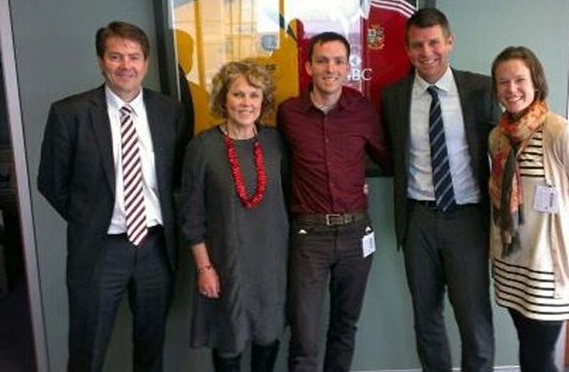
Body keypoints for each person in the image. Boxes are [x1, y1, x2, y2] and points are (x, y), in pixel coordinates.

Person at [37, 21, 189, 371]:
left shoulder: (170, 112)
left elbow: (177, 177)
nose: (126, 65)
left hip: (155, 248)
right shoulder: (70, 113)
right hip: (100, 249)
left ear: (146, 62)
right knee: (87, 351)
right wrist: (91, 218)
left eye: (134, 57)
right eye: (116, 56)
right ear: (100, 61)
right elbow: (51, 182)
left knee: (151, 349)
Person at [380, 8, 499, 372]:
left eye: (434, 42)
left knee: (474, 319)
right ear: (407, 49)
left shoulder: (481, 89)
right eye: (417, 45)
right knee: (426, 319)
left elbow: (508, 141)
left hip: (466, 219)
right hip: (417, 220)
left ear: (449, 42)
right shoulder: (394, 97)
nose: (426, 52)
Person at [277, 31, 391, 372]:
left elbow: (386, 159)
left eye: (339, 61)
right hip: (309, 236)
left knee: (344, 328)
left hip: (357, 233)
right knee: (304, 336)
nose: (331, 68)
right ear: (309, 66)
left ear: (348, 66)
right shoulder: (289, 113)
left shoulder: (362, 111)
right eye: (323, 61)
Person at [488, 46, 569, 372]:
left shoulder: (562, 134)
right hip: (512, 267)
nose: (511, 89)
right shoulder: (497, 138)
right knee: (529, 352)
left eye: (519, 80)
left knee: (539, 358)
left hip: (548, 274)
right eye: (503, 82)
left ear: (536, 81)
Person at [179, 60, 289, 372]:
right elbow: (191, 215)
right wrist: (204, 268)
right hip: (225, 264)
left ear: (263, 101)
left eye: (254, 95)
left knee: (268, 338)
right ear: (223, 99)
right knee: (229, 340)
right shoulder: (202, 147)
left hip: (272, 264)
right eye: (238, 94)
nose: (246, 103)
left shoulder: (276, 143)